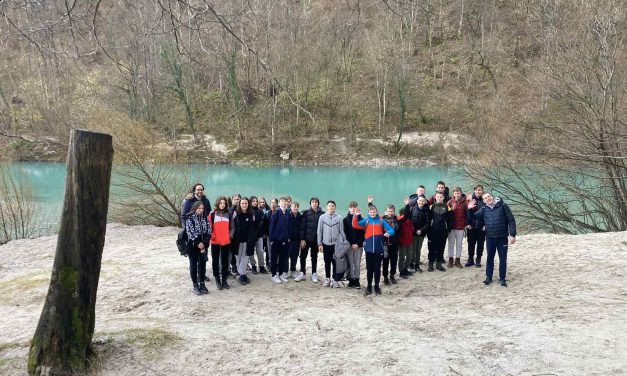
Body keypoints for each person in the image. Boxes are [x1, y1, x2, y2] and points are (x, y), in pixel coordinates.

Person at [467, 192, 516, 287]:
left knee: (503, 259)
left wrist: (512, 234)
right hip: (490, 238)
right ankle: (488, 277)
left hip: (502, 237)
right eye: (485, 198)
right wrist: (469, 209)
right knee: (490, 258)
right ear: (484, 201)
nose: (488, 198)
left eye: (489, 196)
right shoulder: (484, 209)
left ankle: (502, 278)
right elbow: (473, 217)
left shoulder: (503, 206)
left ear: (492, 197)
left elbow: (511, 219)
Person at [352, 205, 394, 295]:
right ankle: (369, 286)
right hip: (368, 250)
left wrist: (388, 233)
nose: (372, 214)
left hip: (379, 249)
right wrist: (355, 216)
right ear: (368, 213)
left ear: (377, 212)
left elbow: (392, 230)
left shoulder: (381, 221)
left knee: (377, 269)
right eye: (371, 212)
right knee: (369, 269)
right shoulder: (366, 221)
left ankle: (377, 286)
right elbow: (355, 225)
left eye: (374, 212)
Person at [185, 201, 211, 295]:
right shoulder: (189, 219)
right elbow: (190, 233)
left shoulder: (205, 218)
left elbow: (209, 231)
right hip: (193, 246)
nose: (201, 210)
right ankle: (195, 285)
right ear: (195, 208)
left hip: (203, 245)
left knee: (202, 264)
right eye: (199, 208)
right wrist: (198, 243)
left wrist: (204, 244)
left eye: (202, 208)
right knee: (193, 265)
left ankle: (202, 283)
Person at [317, 200, 344, 288]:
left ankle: (335, 280)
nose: (331, 207)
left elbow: (341, 232)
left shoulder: (339, 217)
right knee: (327, 262)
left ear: (335, 207)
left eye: (332, 206)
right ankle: (327, 278)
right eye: (329, 206)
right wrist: (319, 244)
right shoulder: (322, 217)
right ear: (327, 207)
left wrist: (341, 244)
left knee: (335, 262)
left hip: (336, 245)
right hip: (325, 244)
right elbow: (319, 231)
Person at [208, 196, 233, 290]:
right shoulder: (212, 214)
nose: (222, 205)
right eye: (221, 203)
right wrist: (213, 236)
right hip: (215, 242)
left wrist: (229, 236)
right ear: (218, 203)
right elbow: (208, 227)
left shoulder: (229, 214)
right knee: (215, 261)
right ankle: (217, 279)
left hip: (226, 241)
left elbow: (232, 228)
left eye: (224, 203)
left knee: (225, 261)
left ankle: (224, 280)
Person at [298, 197, 324, 283]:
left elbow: (323, 229)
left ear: (318, 204)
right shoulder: (306, 213)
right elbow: (302, 227)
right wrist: (302, 239)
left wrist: (320, 242)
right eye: (313, 202)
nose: (314, 203)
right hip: (306, 239)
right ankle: (302, 273)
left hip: (316, 240)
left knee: (314, 257)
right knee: (303, 256)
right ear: (310, 203)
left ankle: (314, 273)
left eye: (316, 202)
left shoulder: (322, 214)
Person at [232, 197, 257, 285]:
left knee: (245, 257)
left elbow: (253, 227)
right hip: (237, 240)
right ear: (239, 204)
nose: (244, 205)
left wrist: (253, 238)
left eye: (246, 203)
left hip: (247, 240)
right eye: (242, 203)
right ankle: (242, 274)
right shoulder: (235, 213)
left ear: (248, 204)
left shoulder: (251, 214)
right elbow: (232, 227)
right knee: (238, 257)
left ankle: (242, 275)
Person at [404, 194, 430, 273]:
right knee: (413, 249)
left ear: (425, 202)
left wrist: (421, 230)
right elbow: (408, 218)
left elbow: (428, 223)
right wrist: (407, 205)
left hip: (421, 233)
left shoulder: (427, 210)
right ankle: (411, 264)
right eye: (420, 201)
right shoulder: (412, 209)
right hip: (413, 232)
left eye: (423, 201)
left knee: (418, 250)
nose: (421, 202)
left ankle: (417, 265)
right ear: (417, 201)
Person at [269, 197, 291, 284]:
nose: (284, 203)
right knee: (274, 258)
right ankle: (274, 275)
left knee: (283, 258)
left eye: (285, 202)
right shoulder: (276, 213)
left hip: (285, 240)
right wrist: (271, 239)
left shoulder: (288, 213)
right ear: (279, 203)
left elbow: (289, 227)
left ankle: (281, 274)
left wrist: (288, 237)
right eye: (282, 201)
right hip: (276, 240)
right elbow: (271, 227)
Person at [427, 192, 452, 272]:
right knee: (431, 248)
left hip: (442, 232)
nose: (439, 198)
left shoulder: (447, 207)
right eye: (438, 197)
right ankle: (430, 263)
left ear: (443, 198)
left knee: (441, 248)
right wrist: (429, 230)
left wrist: (448, 230)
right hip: (432, 231)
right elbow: (428, 220)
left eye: (441, 197)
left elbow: (450, 220)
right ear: (435, 197)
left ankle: (438, 264)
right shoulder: (431, 207)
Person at [343, 201, 365, 289]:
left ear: (357, 208)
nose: (353, 208)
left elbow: (363, 234)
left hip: (358, 246)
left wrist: (358, 244)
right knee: (350, 263)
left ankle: (357, 280)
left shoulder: (362, 220)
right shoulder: (345, 220)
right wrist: (351, 243)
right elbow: (345, 233)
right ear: (349, 208)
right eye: (351, 207)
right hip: (349, 245)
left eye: (354, 207)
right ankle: (351, 280)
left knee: (357, 263)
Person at [465, 185, 486, 267]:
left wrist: (486, 224)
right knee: (471, 244)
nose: (477, 192)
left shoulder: (484, 200)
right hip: (471, 226)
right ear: (474, 191)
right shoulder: (469, 200)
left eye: (479, 190)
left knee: (480, 244)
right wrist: (467, 223)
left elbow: (488, 214)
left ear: (482, 191)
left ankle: (478, 259)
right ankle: (470, 259)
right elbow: (466, 214)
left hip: (481, 227)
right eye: (476, 190)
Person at [446, 187, 467, 268]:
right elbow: (446, 214)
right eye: (455, 193)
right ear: (453, 194)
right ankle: (450, 259)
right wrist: (451, 209)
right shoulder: (450, 202)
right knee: (451, 244)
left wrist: (466, 224)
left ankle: (457, 260)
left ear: (461, 193)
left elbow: (467, 214)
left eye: (458, 193)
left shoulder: (465, 202)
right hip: (451, 227)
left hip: (460, 227)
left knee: (459, 244)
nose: (457, 194)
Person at [382, 204, 400, 286]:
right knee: (385, 261)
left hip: (394, 243)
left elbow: (406, 215)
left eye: (391, 211)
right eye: (388, 211)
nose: (390, 213)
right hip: (385, 244)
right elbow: (372, 214)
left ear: (394, 212)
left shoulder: (397, 220)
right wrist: (370, 204)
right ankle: (385, 277)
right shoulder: (382, 220)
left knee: (394, 260)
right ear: (386, 211)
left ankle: (392, 276)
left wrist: (407, 205)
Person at [397, 207, 414, 279]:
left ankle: (406, 268)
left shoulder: (409, 220)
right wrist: (400, 241)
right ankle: (401, 271)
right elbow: (398, 232)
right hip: (402, 242)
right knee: (402, 257)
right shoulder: (399, 221)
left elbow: (412, 228)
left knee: (409, 256)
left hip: (409, 241)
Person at [288, 201, 302, 279]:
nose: (295, 208)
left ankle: (293, 270)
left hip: (297, 240)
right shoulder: (288, 215)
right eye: (294, 206)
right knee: (287, 255)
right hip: (289, 239)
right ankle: (285, 271)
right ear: (291, 207)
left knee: (295, 255)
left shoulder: (300, 215)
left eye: (297, 206)